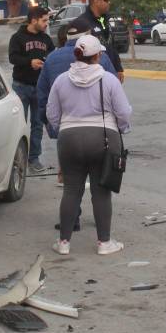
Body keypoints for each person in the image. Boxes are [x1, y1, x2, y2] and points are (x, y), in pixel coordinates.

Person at [46, 35, 132, 256]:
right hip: (103, 138)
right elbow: (123, 112)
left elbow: (52, 114)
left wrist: (64, 129)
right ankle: (104, 242)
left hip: (69, 139)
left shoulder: (61, 80)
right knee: (101, 192)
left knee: (71, 190)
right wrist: (122, 128)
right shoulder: (109, 80)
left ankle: (63, 242)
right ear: (98, 56)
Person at [40, 17, 117, 223]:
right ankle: (102, 231)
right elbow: (114, 92)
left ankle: (71, 223)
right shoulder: (101, 57)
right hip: (99, 132)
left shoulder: (52, 59)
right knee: (99, 184)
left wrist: (53, 127)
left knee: (71, 185)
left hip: (67, 132)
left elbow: (43, 96)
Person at [8, 6, 55, 172]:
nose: (46, 23)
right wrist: (30, 62)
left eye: (47, 20)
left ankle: (34, 159)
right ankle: (16, 161)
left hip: (40, 87)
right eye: (44, 20)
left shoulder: (46, 39)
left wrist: (46, 62)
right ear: (34, 20)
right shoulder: (17, 38)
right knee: (18, 125)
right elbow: (13, 58)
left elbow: (52, 56)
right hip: (21, 87)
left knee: (37, 124)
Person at [76, 0, 125, 83]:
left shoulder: (105, 20)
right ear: (96, 1)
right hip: (93, 75)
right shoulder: (82, 23)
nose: (109, 3)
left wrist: (118, 68)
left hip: (110, 71)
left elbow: (112, 46)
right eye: (106, 0)